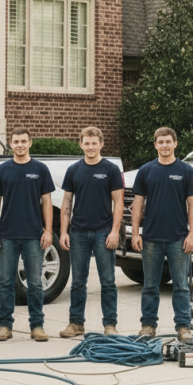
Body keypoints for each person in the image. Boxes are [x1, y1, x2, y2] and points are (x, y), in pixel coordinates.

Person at [131, 127, 193, 343]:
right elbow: (138, 204)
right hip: (151, 237)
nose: (164, 145)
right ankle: (148, 326)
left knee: (180, 286)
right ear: (155, 145)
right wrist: (136, 233)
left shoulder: (186, 171)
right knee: (150, 285)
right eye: (160, 142)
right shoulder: (146, 171)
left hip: (178, 238)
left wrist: (192, 234)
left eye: (168, 142)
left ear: (175, 144)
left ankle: (183, 327)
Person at [0, 127, 55, 342]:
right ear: (11, 144)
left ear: (30, 143)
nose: (20, 145)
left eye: (23, 141)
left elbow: (47, 201)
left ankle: (37, 326)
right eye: (16, 141)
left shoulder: (40, 169)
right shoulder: (2, 170)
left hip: (33, 235)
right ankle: (5, 326)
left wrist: (48, 230)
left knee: (35, 283)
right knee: (6, 283)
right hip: (7, 235)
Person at [59, 127, 124, 337]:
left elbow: (119, 202)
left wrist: (115, 232)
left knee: (108, 280)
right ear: (81, 145)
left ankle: (110, 325)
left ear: (101, 144)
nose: (90, 147)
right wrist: (63, 232)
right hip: (78, 232)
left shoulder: (111, 170)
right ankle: (76, 323)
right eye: (86, 143)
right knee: (78, 281)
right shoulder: (74, 170)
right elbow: (67, 203)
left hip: (103, 232)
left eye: (94, 143)